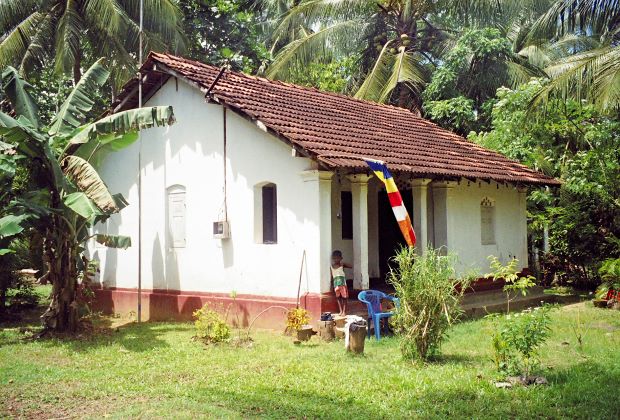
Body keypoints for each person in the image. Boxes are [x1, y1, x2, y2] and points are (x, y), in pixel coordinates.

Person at [330, 250, 352, 316]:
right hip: (336, 283)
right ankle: (340, 310)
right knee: (338, 297)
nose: (336, 259)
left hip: (342, 284)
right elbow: (332, 276)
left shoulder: (342, 265)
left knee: (344, 297)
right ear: (333, 259)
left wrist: (343, 264)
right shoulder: (331, 266)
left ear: (341, 258)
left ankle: (344, 311)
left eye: (338, 258)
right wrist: (331, 285)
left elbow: (351, 266)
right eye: (335, 258)